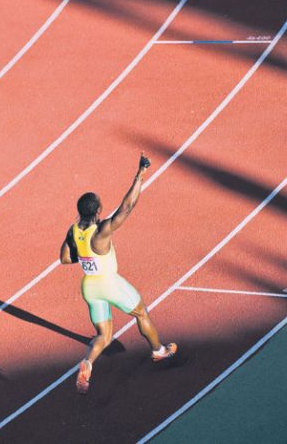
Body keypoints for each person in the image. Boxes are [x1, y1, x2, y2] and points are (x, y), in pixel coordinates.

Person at [60, 152, 178, 394]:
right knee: (141, 313)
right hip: (109, 283)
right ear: (98, 210)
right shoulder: (101, 231)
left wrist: (83, 255)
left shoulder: (73, 231)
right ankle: (159, 351)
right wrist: (140, 175)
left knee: (103, 335)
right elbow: (127, 207)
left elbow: (64, 258)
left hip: (89, 288)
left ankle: (88, 363)